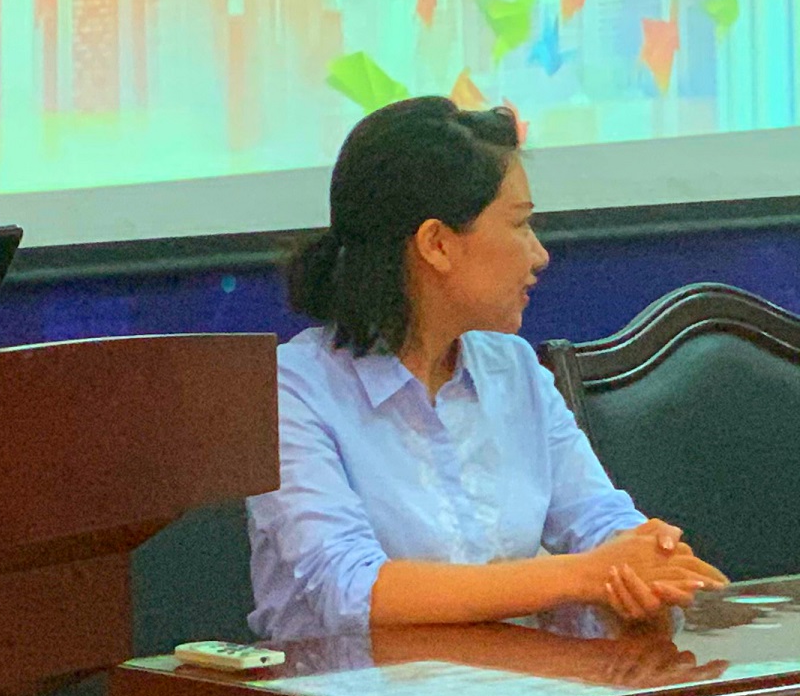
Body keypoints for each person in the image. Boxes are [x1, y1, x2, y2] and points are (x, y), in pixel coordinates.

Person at [248, 96, 726, 642]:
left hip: (515, 679)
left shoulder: (514, 369)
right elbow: (352, 591)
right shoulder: (291, 390)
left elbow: (597, 519)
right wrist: (585, 575)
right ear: (437, 244)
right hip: (344, 689)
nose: (540, 254)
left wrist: (646, 558)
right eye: (520, 224)